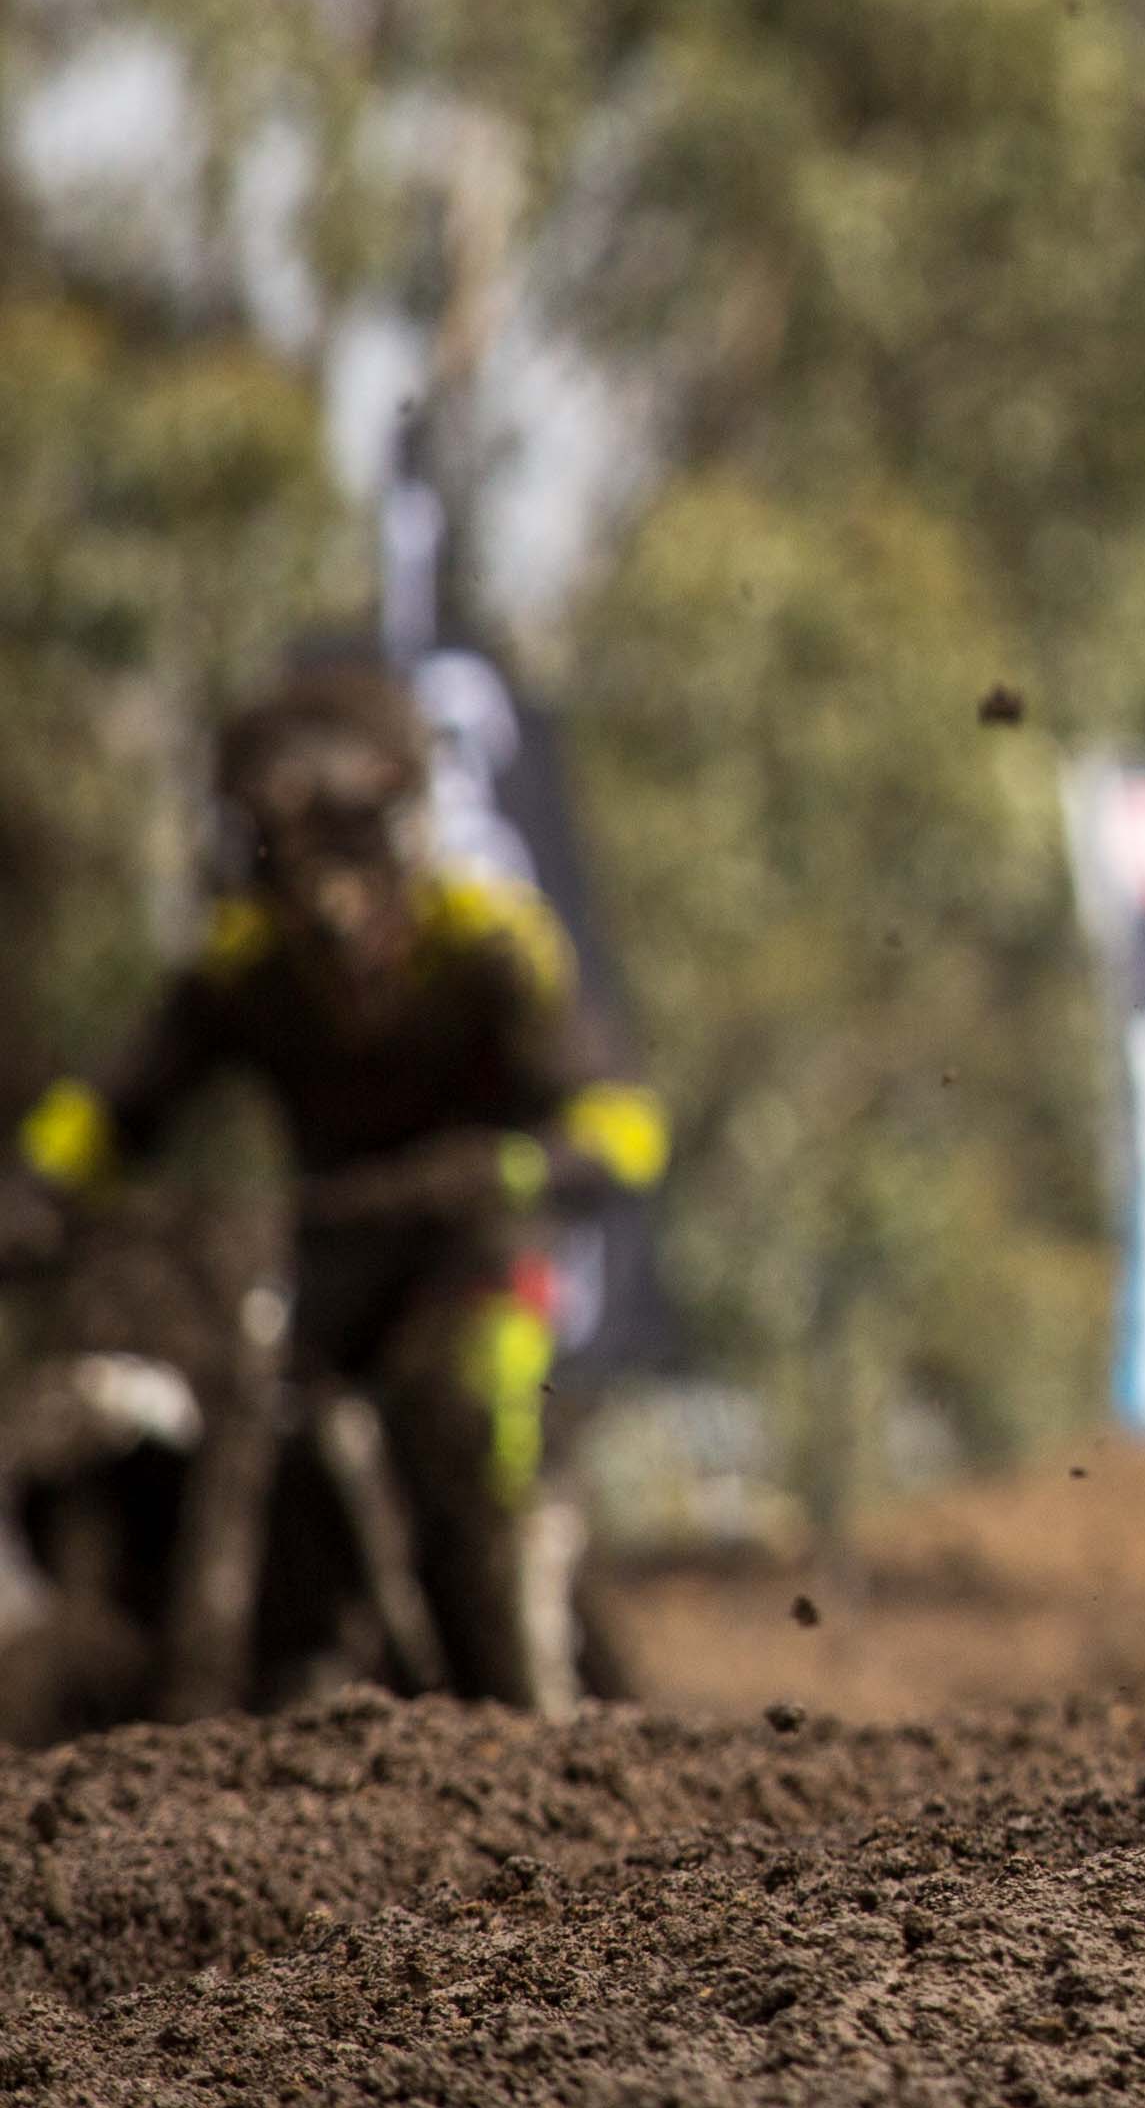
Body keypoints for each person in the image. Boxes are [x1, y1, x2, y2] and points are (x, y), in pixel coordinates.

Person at [12, 658, 666, 1705]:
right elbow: (112, 1107)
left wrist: (512, 1166)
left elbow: (624, 1121)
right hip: (326, 1261)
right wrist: (35, 1193)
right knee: (266, 1445)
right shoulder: (241, 972)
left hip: (474, 1256)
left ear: (407, 833)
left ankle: (531, 1708)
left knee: (464, 1421)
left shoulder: (486, 946)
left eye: (354, 844)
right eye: (291, 857)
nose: (329, 899)